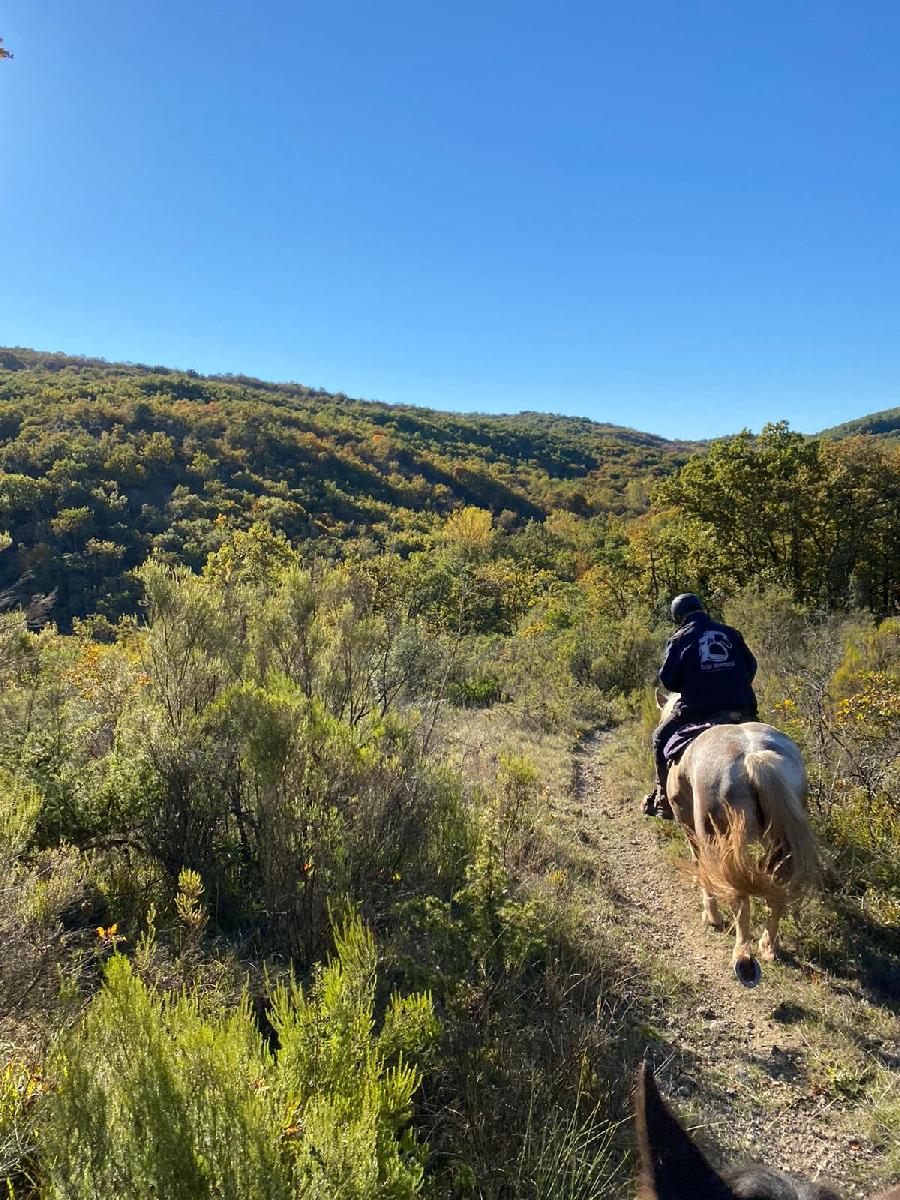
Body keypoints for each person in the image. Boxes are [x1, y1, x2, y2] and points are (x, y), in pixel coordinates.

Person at [643, 593, 758, 818]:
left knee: (659, 738)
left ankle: (664, 800)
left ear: (678, 617)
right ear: (701, 609)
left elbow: (668, 681)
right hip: (742, 707)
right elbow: (751, 667)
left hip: (699, 709)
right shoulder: (730, 632)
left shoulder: (681, 638)